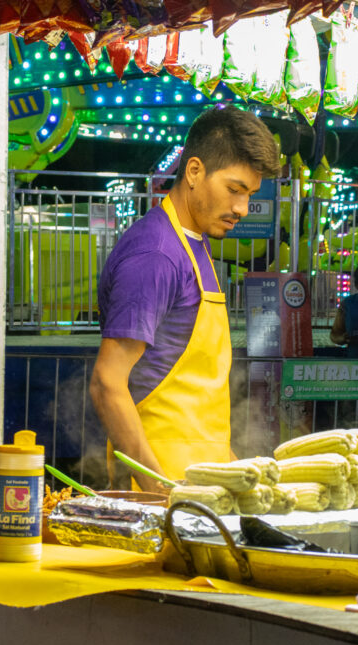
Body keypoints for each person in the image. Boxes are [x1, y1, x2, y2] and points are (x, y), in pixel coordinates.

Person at [90, 106, 280, 490]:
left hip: (199, 487)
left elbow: (196, 397)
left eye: (250, 194)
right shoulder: (156, 254)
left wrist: (231, 471)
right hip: (163, 493)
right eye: (234, 190)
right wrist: (156, 486)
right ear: (194, 171)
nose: (242, 208)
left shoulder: (195, 246)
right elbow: (107, 383)